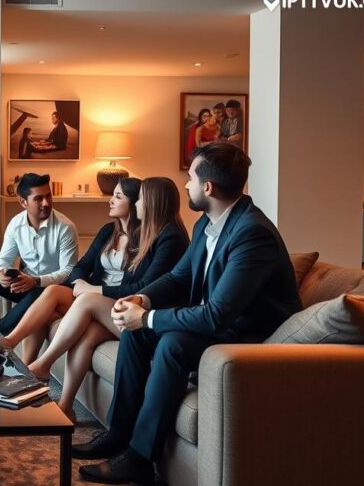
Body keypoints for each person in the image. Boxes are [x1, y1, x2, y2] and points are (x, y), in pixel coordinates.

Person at [75, 143, 302, 485]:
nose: (185, 185)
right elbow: (179, 277)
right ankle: (119, 434)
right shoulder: (205, 225)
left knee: (173, 343)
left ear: (208, 187)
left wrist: (148, 318)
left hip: (252, 338)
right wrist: (142, 298)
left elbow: (216, 316)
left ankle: (140, 459)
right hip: (222, 325)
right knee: (139, 333)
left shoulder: (252, 233)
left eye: (191, 177)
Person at [22, 178, 189, 421]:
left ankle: (42, 365)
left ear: (151, 202)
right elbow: (82, 266)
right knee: (86, 332)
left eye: (138, 198)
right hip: (127, 311)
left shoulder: (168, 238)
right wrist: (85, 285)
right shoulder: (125, 232)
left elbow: (145, 288)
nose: (136, 203)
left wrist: (92, 289)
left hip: (149, 322)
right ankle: (65, 406)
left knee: (87, 301)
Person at [0, 178, 142, 363]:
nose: (110, 200)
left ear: (136, 203)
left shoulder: (145, 239)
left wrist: (90, 289)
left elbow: (138, 287)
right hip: (85, 292)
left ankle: (7, 340)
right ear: (23, 202)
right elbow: (81, 266)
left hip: (109, 301)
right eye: (39, 198)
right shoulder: (109, 231)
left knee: (45, 293)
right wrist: (80, 283)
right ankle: (27, 370)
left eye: (117, 196)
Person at [0, 173, 78, 360]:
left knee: (37, 293)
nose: (46, 203)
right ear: (23, 202)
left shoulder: (65, 228)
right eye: (38, 198)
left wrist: (37, 281)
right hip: (26, 284)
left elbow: (68, 271)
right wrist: (2, 273)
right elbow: (2, 260)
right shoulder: (16, 224)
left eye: (48, 196)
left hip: (52, 289)